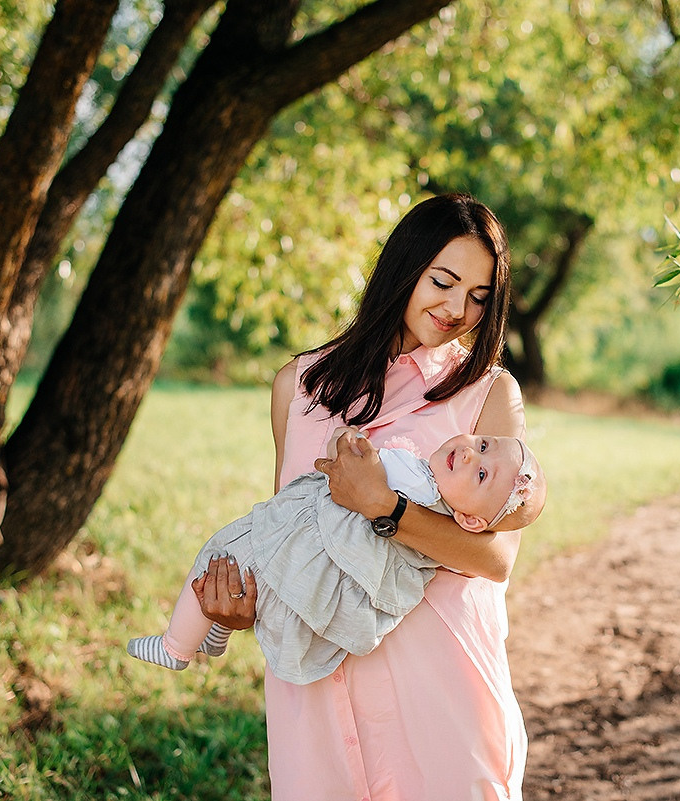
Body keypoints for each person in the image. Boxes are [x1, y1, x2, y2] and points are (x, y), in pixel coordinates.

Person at [197, 193, 531, 800]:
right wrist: (240, 611)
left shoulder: (487, 393)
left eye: (479, 297)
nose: (457, 309)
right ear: (404, 267)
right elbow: (284, 535)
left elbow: (495, 557)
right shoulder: (299, 385)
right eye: (443, 282)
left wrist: (387, 507)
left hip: (436, 692)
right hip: (316, 696)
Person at [126, 428, 543, 683]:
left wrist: (348, 445)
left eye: (482, 474)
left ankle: (175, 647)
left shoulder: (418, 496)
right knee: (232, 576)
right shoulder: (435, 515)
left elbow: (348, 466)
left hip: (299, 548)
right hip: (307, 560)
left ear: (471, 521)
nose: (472, 454)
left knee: (218, 554)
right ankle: (212, 635)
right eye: (483, 444)